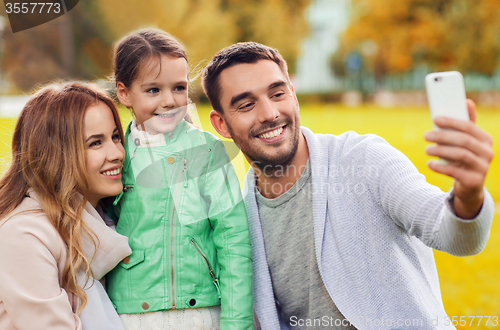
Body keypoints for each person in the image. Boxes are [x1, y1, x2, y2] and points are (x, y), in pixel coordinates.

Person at [202, 42, 494, 330]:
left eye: (278, 93)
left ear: (293, 96)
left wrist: (468, 197)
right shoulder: (237, 221)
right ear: (222, 125)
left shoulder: (364, 159)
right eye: (246, 104)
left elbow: (453, 235)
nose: (269, 113)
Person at [106, 28, 253, 330]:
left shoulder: (207, 151)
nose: (170, 101)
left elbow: (232, 238)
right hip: (131, 315)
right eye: (153, 90)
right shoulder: (115, 154)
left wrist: (236, 323)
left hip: (202, 313)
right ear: (124, 93)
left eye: (178, 88)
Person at [0, 82, 132, 330]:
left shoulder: (106, 223)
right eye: (95, 143)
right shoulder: (24, 235)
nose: (116, 153)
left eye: (115, 137)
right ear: (55, 154)